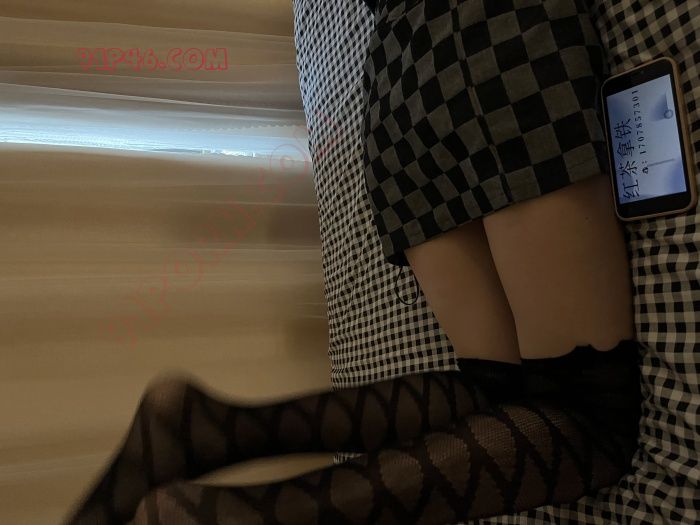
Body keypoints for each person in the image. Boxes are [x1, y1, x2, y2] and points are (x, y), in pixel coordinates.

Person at [64, 1, 642, 523]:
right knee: (589, 415)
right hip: (490, 38)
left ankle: (211, 431)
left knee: (498, 388)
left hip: (398, 94)